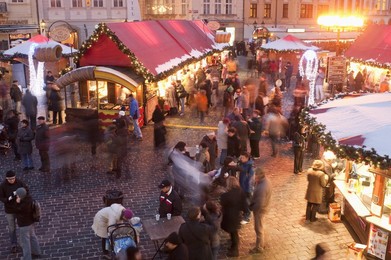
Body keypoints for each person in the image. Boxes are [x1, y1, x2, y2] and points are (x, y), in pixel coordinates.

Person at [0, 170, 29, 254]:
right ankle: (13, 244)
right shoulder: (2, 186)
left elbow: (26, 191)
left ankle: (22, 243)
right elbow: (1, 197)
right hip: (9, 210)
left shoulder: (19, 182)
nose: (12, 180)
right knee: (11, 228)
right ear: (6, 179)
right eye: (10, 179)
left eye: (13, 178)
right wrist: (9, 199)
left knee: (21, 227)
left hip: (19, 209)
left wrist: (21, 198)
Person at [220, 176, 247, 257]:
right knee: (234, 232)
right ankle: (233, 246)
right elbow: (244, 206)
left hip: (229, 217)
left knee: (233, 233)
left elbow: (222, 203)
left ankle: (235, 251)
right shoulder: (241, 191)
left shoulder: (225, 195)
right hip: (236, 216)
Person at [14, 187, 42, 259]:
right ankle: (37, 252)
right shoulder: (29, 199)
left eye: (17, 195)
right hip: (31, 222)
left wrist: (17, 203)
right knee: (33, 237)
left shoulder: (22, 205)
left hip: (24, 225)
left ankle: (27, 258)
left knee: (25, 242)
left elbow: (17, 210)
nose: (16, 196)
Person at [249, 168, 272, 254]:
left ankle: (259, 247)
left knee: (258, 228)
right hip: (264, 207)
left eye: (255, 175)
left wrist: (253, 209)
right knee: (261, 226)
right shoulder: (265, 181)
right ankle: (262, 242)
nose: (254, 176)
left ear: (258, 176)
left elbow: (259, 203)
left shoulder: (262, 188)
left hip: (260, 210)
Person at [238, 152, 254, 224]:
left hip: (246, 187)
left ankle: (247, 216)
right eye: (241, 157)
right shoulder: (243, 163)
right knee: (246, 201)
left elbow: (250, 179)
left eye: (243, 158)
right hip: (243, 186)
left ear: (247, 158)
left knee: (246, 201)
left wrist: (248, 189)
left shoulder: (250, 166)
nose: (241, 159)